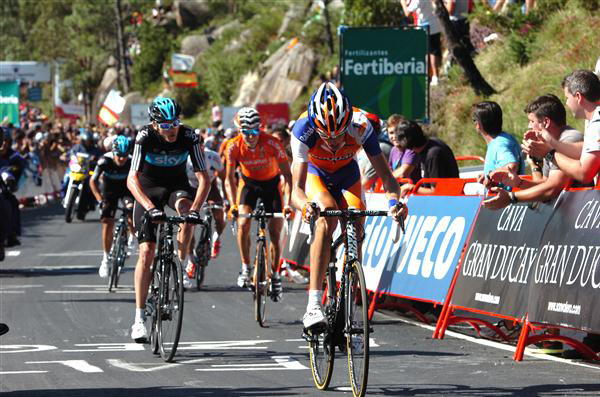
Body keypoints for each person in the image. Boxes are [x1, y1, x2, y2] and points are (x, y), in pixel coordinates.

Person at [290, 82, 407, 329]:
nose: (333, 142)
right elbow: (296, 190)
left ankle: (347, 308)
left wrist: (395, 203)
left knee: (356, 226)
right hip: (316, 174)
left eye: (339, 135)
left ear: (347, 124)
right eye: (326, 137)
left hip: (347, 175)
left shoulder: (361, 125)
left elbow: (388, 178)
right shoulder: (303, 129)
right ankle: (313, 306)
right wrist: (305, 207)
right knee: (326, 217)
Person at [127, 96, 211, 342]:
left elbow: (204, 178)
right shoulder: (144, 137)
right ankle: (139, 318)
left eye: (174, 123)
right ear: (154, 125)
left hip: (176, 186)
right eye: (164, 125)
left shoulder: (189, 136)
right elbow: (132, 179)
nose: (171, 129)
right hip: (148, 189)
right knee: (147, 252)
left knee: (186, 210)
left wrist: (196, 209)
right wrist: (149, 207)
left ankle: (182, 261)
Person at [224, 107, 293, 301]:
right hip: (249, 186)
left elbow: (287, 176)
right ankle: (246, 267)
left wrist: (287, 204)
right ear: (239, 131)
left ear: (260, 129)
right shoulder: (233, 146)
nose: (251, 136)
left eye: (255, 131)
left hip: (272, 186)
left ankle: (276, 273)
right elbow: (229, 179)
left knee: (275, 230)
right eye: (246, 132)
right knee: (243, 224)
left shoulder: (272, 143)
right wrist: (232, 205)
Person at [485, 94, 586, 210]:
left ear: (546, 122)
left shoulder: (569, 139)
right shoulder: (550, 142)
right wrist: (518, 182)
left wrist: (511, 197)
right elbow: (545, 183)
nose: (529, 126)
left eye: (532, 121)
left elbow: (552, 189)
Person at [90, 136, 135, 278]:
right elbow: (92, 181)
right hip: (109, 191)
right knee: (107, 222)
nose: (122, 159)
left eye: (124, 155)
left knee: (131, 208)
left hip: (126, 189)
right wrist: (99, 200)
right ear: (113, 152)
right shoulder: (104, 160)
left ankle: (132, 238)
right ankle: (105, 259)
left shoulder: (132, 160)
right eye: (119, 156)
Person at [185, 140, 226, 278]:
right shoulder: (185, 158)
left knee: (220, 214)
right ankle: (190, 260)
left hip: (210, 187)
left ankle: (216, 237)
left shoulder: (213, 156)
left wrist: (225, 198)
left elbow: (223, 177)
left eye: (201, 146)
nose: (199, 149)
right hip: (191, 188)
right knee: (188, 224)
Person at [396, 119, 459, 197]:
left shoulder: (433, 155)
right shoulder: (431, 145)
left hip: (448, 201)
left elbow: (437, 192)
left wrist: (411, 187)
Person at [472, 101, 525, 185]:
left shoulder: (499, 144)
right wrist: (486, 175)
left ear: (478, 124)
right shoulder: (504, 138)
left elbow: (512, 166)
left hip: (507, 196)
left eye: (474, 120)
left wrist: (489, 177)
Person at [400, 0, 442, 86]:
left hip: (425, 27)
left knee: (428, 52)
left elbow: (407, 13)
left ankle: (431, 76)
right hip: (436, 25)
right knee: (434, 51)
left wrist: (403, 3)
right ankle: (434, 76)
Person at [386, 114, 421, 183]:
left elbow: (403, 173)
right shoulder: (393, 150)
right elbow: (389, 172)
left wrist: (386, 178)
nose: (394, 136)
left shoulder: (410, 148)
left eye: (397, 132)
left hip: (415, 191)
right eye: (391, 133)